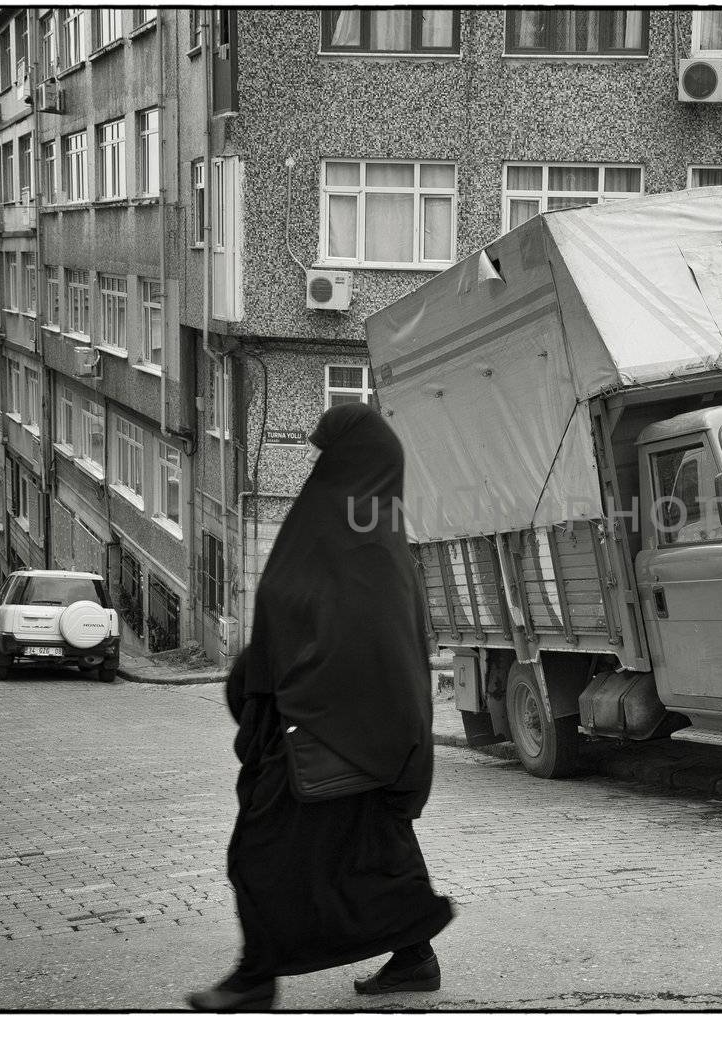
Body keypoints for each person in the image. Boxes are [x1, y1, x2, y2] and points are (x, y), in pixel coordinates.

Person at [188, 403, 454, 1012]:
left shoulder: (349, 532)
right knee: (374, 850)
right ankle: (414, 954)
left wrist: (288, 698)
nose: (315, 464)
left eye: (325, 453)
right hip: (359, 732)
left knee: (258, 854)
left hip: (325, 730)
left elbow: (360, 639)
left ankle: (254, 979)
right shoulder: (369, 528)